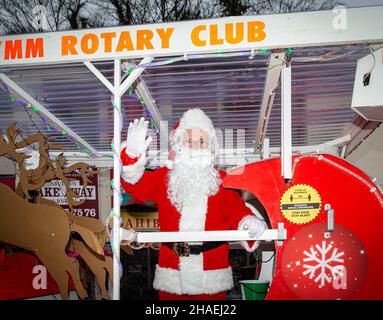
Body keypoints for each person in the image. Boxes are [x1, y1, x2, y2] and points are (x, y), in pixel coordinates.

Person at [120, 108, 267, 300]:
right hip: (172, 276)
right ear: (179, 145)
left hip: (212, 278)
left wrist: (249, 223)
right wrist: (131, 156)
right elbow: (135, 185)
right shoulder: (164, 178)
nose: (196, 147)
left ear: (210, 147)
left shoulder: (222, 181)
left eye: (202, 142)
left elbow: (237, 211)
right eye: (190, 141)